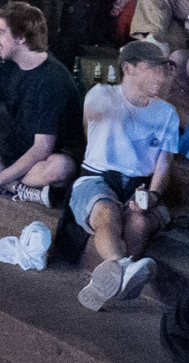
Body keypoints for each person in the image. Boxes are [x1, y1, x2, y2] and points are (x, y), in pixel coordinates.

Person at [0, 1, 83, 268]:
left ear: (21, 37)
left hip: (46, 159)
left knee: (60, 167)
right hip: (15, 155)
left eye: (0, 32)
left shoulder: (52, 79)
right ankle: (20, 189)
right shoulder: (9, 66)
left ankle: (7, 184)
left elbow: (42, 148)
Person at [71, 40, 181, 309]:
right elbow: (90, 123)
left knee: (140, 223)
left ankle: (109, 283)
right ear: (128, 68)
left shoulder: (167, 113)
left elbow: (163, 163)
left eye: (163, 69)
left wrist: (152, 196)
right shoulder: (102, 93)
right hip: (98, 176)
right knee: (106, 211)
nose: (160, 75)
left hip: (139, 186)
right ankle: (121, 268)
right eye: (151, 68)